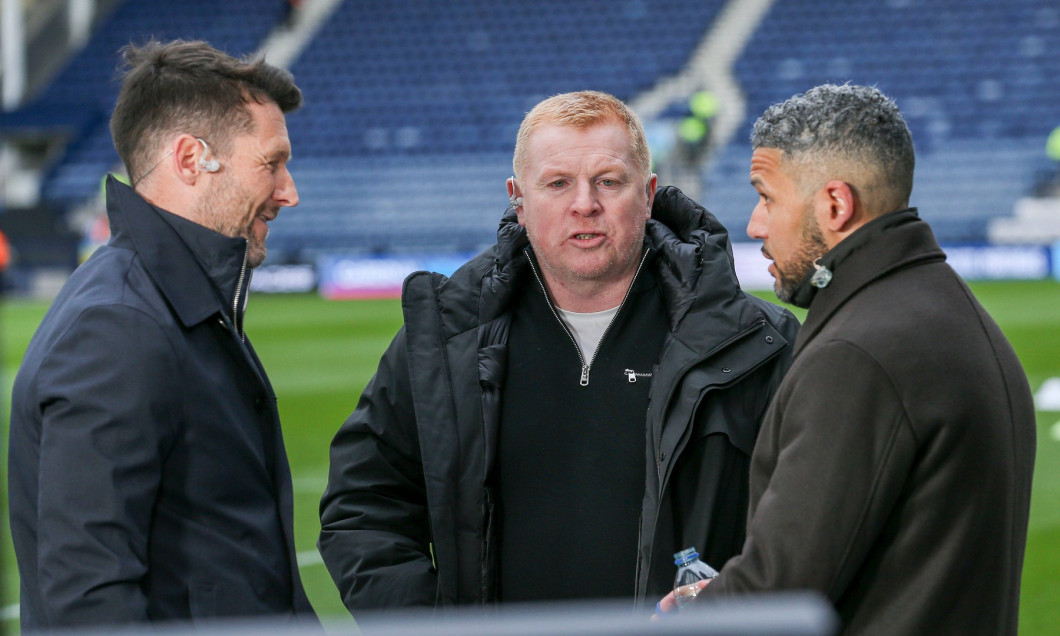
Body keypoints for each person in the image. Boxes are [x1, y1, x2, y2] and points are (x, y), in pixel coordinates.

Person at [318, 90, 799, 611]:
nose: (584, 204)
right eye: (557, 183)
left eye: (609, 181)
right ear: (518, 200)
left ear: (649, 193)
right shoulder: (444, 340)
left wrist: (742, 600)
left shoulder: (756, 343)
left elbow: (814, 515)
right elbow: (363, 507)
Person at [654, 84, 1037, 634]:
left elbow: (777, 593)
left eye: (766, 197)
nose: (755, 225)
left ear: (835, 204)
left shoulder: (857, 355)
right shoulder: (941, 307)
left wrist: (686, 615)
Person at [8, 39, 316, 629]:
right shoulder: (116, 326)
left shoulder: (171, 303)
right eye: (271, 162)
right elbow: (90, 601)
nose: (289, 192)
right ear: (189, 158)